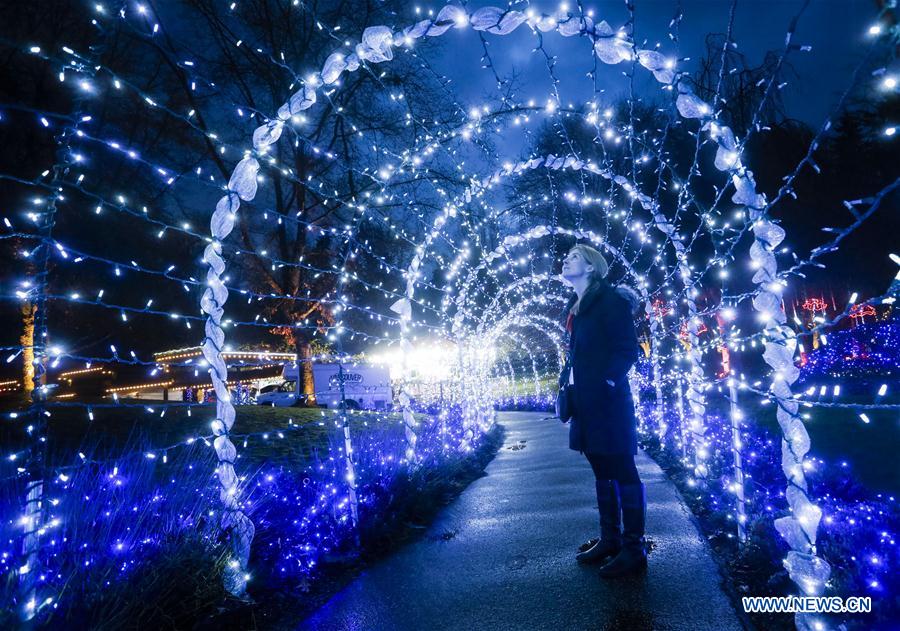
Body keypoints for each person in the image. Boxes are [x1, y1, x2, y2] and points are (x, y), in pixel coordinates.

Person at [559, 243, 646, 578]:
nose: (566, 260)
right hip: (585, 402)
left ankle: (634, 549)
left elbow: (628, 349)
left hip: (608, 403)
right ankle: (610, 539)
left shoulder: (610, 301)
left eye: (574, 257)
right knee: (600, 467)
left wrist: (607, 382)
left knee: (622, 468)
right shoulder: (578, 307)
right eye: (567, 256)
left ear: (591, 267)